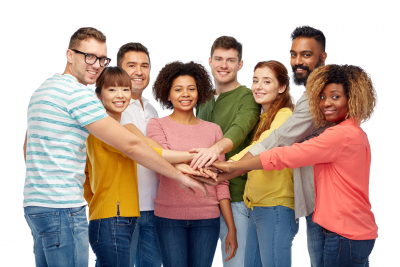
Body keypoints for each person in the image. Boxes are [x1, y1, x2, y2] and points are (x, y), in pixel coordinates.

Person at [23, 27, 208, 267]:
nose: (96, 64)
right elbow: (132, 146)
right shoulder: (79, 95)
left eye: (102, 59)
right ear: (70, 55)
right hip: (63, 207)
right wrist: (179, 175)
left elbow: (28, 146)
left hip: (36, 205)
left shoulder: (44, 89)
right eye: (89, 56)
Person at [212, 64, 378, 267]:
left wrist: (231, 167)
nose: (326, 103)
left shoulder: (338, 136)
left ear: (352, 99)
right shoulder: (355, 134)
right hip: (354, 231)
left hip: (343, 233)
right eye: (322, 97)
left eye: (335, 97)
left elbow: (285, 155)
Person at [201, 26, 328, 267]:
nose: (258, 87)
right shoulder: (262, 118)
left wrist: (224, 166)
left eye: (266, 81)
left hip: (277, 207)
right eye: (255, 80)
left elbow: (267, 145)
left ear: (281, 87)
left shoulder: (284, 114)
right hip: (258, 206)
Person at [146, 61, 237, 267]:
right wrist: (197, 158)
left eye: (191, 89)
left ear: (199, 93)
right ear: (167, 94)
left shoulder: (214, 130)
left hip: (207, 218)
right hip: (169, 218)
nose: (185, 94)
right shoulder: (157, 125)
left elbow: (221, 183)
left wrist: (231, 228)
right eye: (178, 89)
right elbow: (161, 160)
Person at [192, 36, 261, 266]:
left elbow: (239, 130)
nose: (224, 65)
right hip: (202, 198)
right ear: (210, 61)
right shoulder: (202, 99)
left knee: (235, 262)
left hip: (236, 197)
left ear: (240, 64)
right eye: (219, 59)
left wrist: (214, 150)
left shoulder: (247, 98)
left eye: (231, 60)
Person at [116, 42, 162, 267]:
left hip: (154, 209)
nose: (139, 71)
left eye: (144, 65)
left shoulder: (152, 109)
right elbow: (141, 148)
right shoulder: (114, 107)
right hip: (124, 211)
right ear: (118, 69)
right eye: (131, 65)